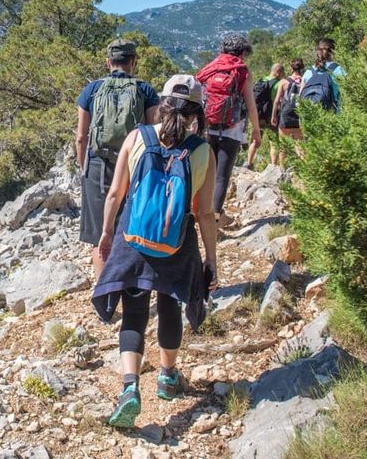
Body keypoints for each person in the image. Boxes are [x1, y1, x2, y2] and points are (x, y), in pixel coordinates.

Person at [91, 75, 218, 428]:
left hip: (133, 239)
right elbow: (205, 212)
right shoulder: (203, 151)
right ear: (196, 113)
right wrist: (211, 259)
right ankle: (167, 376)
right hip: (176, 244)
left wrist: (105, 233)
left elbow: (116, 193)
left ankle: (130, 388)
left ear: (161, 105)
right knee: (169, 304)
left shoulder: (137, 137)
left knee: (133, 313)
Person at [76, 39, 159, 281]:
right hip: (135, 164)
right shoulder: (145, 90)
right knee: (132, 228)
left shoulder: (91, 90)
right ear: (133, 62)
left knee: (99, 235)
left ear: (108, 62)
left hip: (97, 165)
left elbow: (81, 137)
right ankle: (130, 285)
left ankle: (104, 298)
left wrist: (84, 168)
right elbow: (153, 132)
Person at [195, 33, 261, 229]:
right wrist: (256, 131)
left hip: (206, 128)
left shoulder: (210, 67)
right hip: (231, 131)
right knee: (221, 176)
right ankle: (213, 221)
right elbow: (250, 105)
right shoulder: (242, 71)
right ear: (242, 53)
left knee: (203, 174)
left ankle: (198, 215)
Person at [246, 62, 286, 169]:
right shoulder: (278, 84)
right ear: (278, 72)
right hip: (271, 116)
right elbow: (278, 101)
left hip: (258, 115)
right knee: (273, 141)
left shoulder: (261, 81)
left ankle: (249, 163)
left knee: (255, 139)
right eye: (282, 72)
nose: (283, 75)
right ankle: (273, 166)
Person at [271, 58, 306, 165]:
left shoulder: (284, 81)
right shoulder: (305, 80)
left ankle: (282, 171)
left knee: (283, 146)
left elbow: (277, 101)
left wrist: (274, 116)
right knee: (300, 145)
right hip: (299, 115)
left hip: (286, 115)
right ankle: (304, 169)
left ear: (291, 68)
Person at [300, 37, 346, 113]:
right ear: (333, 52)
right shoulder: (339, 70)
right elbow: (346, 95)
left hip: (311, 117)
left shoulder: (308, 72)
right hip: (333, 116)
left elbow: (300, 97)